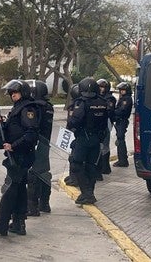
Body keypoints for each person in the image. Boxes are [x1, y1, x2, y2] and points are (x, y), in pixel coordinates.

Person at [0, 79, 39, 236]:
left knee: (9, 189)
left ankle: (2, 223)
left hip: (21, 155)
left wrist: (13, 145)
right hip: (19, 154)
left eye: (14, 93)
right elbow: (16, 127)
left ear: (23, 93)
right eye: (11, 93)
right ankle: (18, 223)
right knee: (20, 189)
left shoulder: (28, 108)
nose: (12, 96)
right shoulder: (19, 107)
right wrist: (3, 123)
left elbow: (31, 134)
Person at [66, 77, 109, 205]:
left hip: (84, 138)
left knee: (76, 164)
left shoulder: (82, 103)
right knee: (91, 166)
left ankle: (87, 193)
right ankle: (90, 192)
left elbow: (74, 121)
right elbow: (106, 121)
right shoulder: (103, 102)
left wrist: (71, 124)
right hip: (97, 139)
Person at [25, 80, 54, 216]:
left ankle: (32, 206)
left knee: (33, 175)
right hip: (45, 143)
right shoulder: (48, 106)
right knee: (44, 173)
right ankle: (45, 203)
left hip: (35, 143)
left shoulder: (35, 107)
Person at [96, 79, 116, 175]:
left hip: (106, 120)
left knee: (105, 145)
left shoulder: (110, 98)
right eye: (100, 86)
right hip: (98, 121)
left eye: (103, 87)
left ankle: (105, 167)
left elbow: (109, 110)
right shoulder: (96, 96)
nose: (101, 89)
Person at [113, 82, 133, 167]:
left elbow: (121, 110)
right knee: (120, 140)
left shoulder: (126, 99)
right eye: (120, 90)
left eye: (123, 90)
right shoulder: (123, 98)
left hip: (122, 121)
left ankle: (123, 160)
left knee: (120, 140)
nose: (121, 91)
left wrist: (113, 113)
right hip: (119, 121)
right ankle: (121, 159)